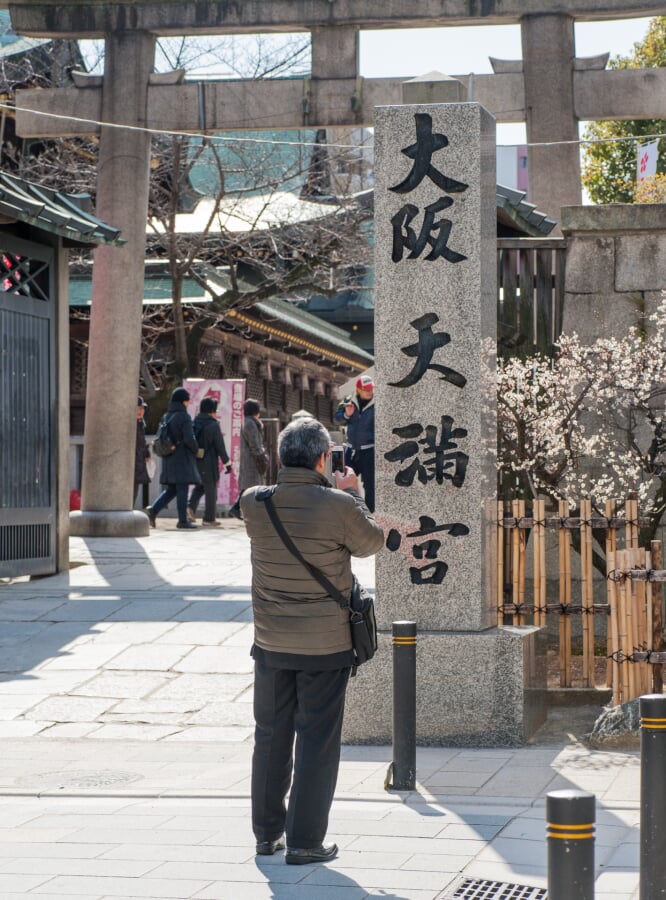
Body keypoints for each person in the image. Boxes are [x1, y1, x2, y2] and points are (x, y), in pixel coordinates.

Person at [241, 417, 384, 865]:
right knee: (317, 740)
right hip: (324, 647)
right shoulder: (338, 505)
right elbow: (371, 543)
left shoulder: (254, 504)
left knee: (271, 737)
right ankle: (305, 841)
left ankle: (267, 836)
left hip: (270, 643)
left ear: (283, 456)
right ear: (324, 458)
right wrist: (354, 493)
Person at [145, 387, 201, 530]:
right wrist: (196, 450)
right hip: (182, 458)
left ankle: (153, 510)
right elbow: (189, 438)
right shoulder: (184, 416)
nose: (188, 403)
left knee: (172, 489)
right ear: (183, 401)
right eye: (187, 400)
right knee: (182, 488)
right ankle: (182, 520)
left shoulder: (166, 416)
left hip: (169, 457)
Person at [187, 397, 232, 527]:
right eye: (215, 410)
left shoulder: (195, 422)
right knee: (211, 489)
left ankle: (190, 509)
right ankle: (209, 518)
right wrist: (227, 463)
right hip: (209, 462)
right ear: (211, 411)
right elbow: (220, 446)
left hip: (196, 460)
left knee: (201, 486)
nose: (216, 413)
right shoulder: (213, 425)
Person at [334, 374, 376, 512]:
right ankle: (346, 511)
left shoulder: (377, 403)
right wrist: (347, 414)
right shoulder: (349, 401)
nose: (369, 392)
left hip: (369, 450)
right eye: (366, 389)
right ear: (358, 390)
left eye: (371, 389)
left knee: (370, 485)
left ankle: (370, 515)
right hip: (351, 450)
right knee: (343, 479)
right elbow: (337, 418)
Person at [239, 398, 268, 492]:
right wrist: (263, 458)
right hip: (253, 462)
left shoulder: (248, 422)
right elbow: (255, 446)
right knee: (252, 491)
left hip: (249, 461)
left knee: (249, 492)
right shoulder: (250, 424)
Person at [133, 396, 151, 506]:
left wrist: (146, 453)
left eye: (142, 408)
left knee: (134, 490)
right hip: (130, 464)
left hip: (138, 462)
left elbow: (141, 442)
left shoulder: (140, 423)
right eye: (137, 408)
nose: (140, 411)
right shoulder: (129, 424)